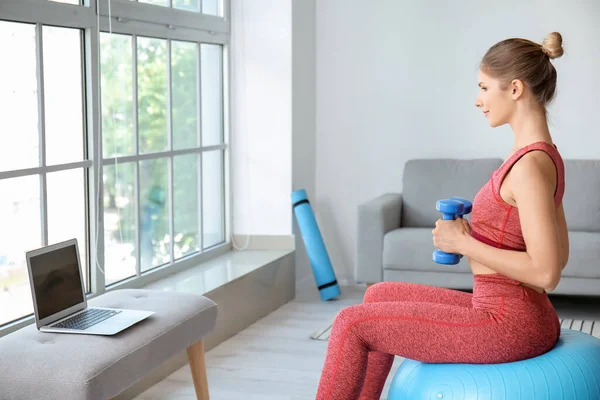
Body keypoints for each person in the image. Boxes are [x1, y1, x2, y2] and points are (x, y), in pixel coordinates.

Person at [315, 32, 569, 400]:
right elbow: (558, 254)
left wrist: (463, 243)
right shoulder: (544, 156)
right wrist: (479, 232)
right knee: (378, 295)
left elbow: (548, 272)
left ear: (514, 89)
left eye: (483, 87)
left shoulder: (529, 166)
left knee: (349, 323)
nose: (477, 100)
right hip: (517, 314)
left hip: (509, 323)